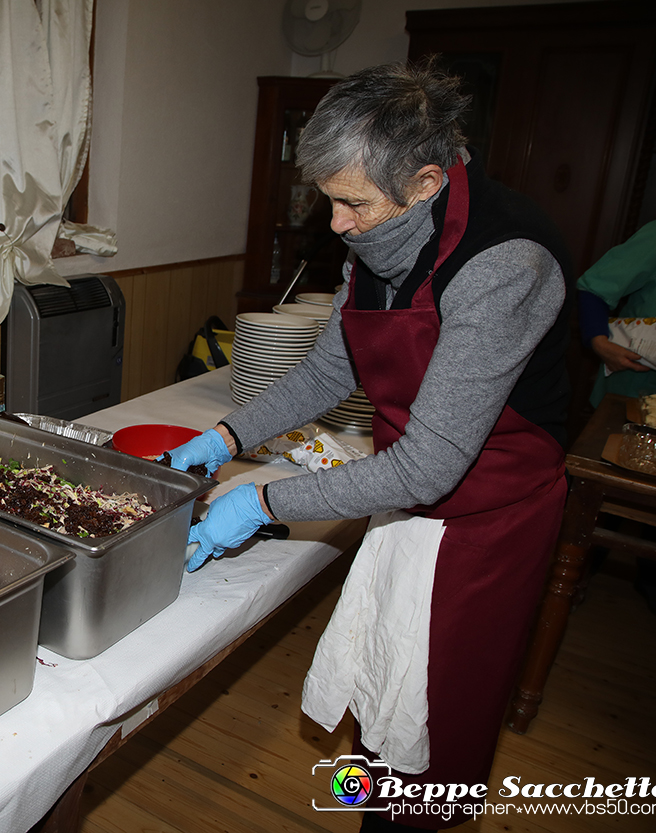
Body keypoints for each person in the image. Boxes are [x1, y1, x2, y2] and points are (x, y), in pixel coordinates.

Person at [167, 61, 574, 831]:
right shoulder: (383, 238)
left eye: (352, 203)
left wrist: (261, 499)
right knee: (381, 691)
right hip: (405, 503)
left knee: (437, 721)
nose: (337, 225)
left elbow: (432, 464)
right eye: (331, 199)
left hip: (486, 525)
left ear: (424, 182)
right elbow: (328, 370)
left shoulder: (504, 263)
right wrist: (225, 436)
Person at [577, 210, 656, 619]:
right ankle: (580, 568)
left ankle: (655, 577)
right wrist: (598, 341)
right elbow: (593, 287)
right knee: (606, 494)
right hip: (635, 389)